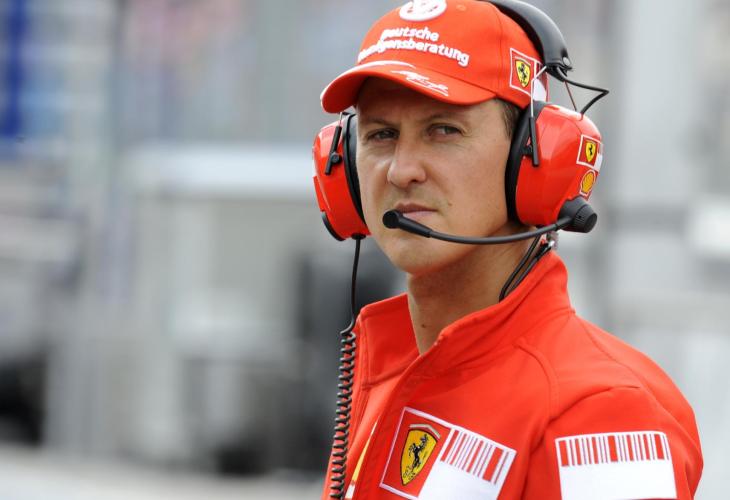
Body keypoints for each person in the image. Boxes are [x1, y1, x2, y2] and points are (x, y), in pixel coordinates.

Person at [312, 1, 703, 498]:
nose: (402, 170)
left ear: (535, 159)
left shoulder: (603, 410)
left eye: (444, 130)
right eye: (381, 135)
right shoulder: (391, 372)